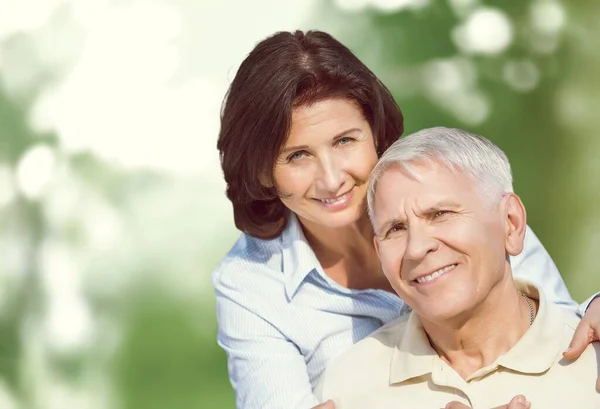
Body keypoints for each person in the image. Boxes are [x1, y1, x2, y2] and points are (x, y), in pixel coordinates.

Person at [212, 30, 600, 409]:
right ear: (263, 170)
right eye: (297, 156)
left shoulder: (459, 187)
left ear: (376, 134)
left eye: (345, 141)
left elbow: (557, 327)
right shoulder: (250, 284)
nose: (331, 180)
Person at [315, 127, 600, 408]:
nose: (416, 248)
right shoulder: (346, 385)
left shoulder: (594, 360)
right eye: (396, 229)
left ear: (511, 223)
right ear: (380, 253)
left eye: (440, 214)